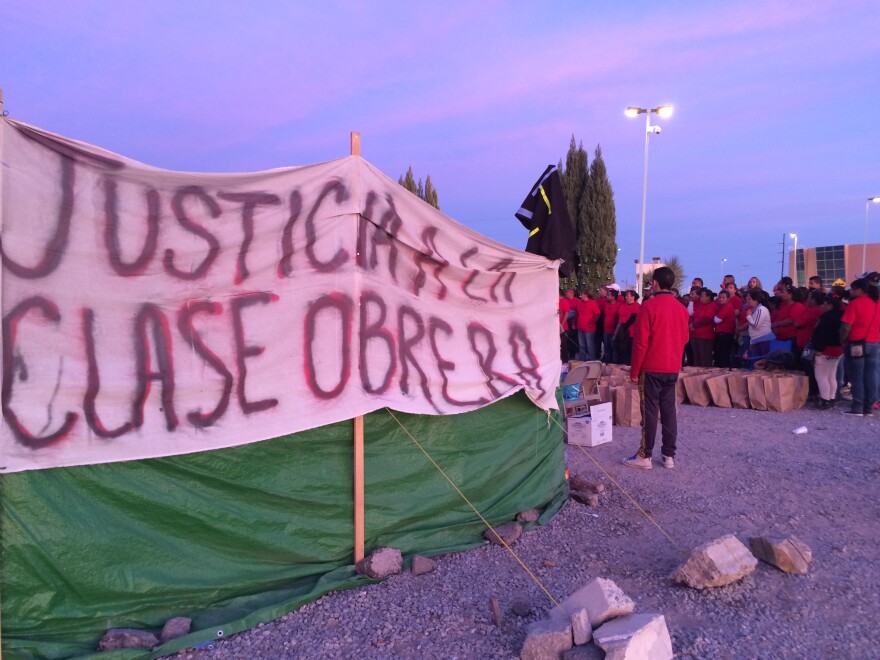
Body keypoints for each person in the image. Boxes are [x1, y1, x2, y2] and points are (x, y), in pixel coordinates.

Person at [623, 267, 689, 470]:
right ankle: (669, 455)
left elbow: (640, 342)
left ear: (656, 283)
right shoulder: (681, 308)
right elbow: (685, 338)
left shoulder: (649, 306)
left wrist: (634, 371)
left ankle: (645, 455)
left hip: (652, 367)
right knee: (669, 411)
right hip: (672, 367)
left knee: (649, 412)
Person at [840, 278, 879, 416]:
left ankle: (857, 407)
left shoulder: (855, 303)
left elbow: (846, 326)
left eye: (853, 289)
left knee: (857, 376)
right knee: (871, 375)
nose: (851, 291)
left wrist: (842, 340)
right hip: (874, 342)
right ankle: (869, 407)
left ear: (860, 290)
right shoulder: (877, 303)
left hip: (857, 343)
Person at [811, 294, 843, 409]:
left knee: (821, 376)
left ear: (829, 305)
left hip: (825, 350)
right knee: (831, 375)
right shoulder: (841, 315)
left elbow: (821, 335)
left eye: (824, 304)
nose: (822, 307)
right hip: (838, 349)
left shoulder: (825, 318)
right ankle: (832, 398)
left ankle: (825, 399)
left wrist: (819, 349)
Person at [745, 289, 775, 359]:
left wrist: (748, 317)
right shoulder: (754, 310)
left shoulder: (761, 309)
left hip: (764, 341)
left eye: (749, 299)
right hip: (756, 340)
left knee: (762, 363)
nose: (747, 301)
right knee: (756, 363)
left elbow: (756, 325)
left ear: (755, 300)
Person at [690, 288, 716, 367]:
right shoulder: (699, 305)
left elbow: (707, 319)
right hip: (695, 335)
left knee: (705, 359)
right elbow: (693, 315)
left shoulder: (712, 305)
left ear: (708, 297)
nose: (700, 298)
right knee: (697, 358)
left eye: (702, 296)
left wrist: (694, 325)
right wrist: (691, 324)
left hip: (705, 336)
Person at [615, 290, 640, 365]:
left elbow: (632, 319)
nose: (626, 297)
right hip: (621, 331)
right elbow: (618, 315)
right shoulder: (623, 305)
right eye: (626, 296)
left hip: (630, 333)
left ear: (633, 297)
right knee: (621, 350)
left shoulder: (636, 306)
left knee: (628, 351)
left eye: (627, 296)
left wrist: (623, 327)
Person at [574, 290, 600, 361]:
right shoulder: (579, 303)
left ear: (585, 295)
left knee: (590, 345)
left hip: (589, 328)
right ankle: (582, 360)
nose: (580, 296)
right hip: (580, 327)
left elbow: (597, 314)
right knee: (582, 345)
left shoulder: (592, 303)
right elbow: (577, 314)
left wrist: (592, 322)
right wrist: (574, 323)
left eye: (582, 294)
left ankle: (591, 360)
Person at [713, 290, 736, 368]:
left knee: (723, 355)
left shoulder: (727, 307)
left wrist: (714, 316)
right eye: (719, 297)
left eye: (723, 297)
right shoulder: (723, 307)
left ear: (728, 298)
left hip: (725, 334)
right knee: (720, 355)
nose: (721, 299)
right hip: (722, 333)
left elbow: (717, 320)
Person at [603, 286, 621, 363]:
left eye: (609, 295)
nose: (607, 296)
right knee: (606, 348)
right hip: (606, 330)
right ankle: (607, 363)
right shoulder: (606, 305)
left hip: (613, 331)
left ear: (613, 297)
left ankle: (614, 364)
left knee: (614, 349)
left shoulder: (619, 306)